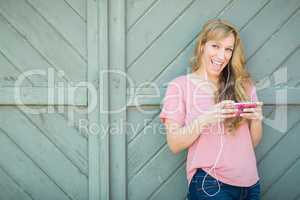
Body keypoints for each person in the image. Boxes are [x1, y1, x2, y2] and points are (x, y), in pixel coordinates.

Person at [159, 19, 263, 200]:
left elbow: (251, 143)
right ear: (202, 46)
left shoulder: (243, 86)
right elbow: (174, 144)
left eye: (228, 49)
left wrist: (256, 119)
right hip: (210, 184)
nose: (222, 55)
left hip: (251, 184)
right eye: (215, 46)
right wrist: (205, 119)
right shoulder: (180, 86)